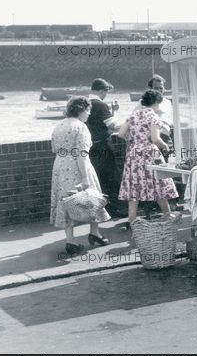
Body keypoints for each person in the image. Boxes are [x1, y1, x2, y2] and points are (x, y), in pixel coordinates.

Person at [50, 97, 111, 255]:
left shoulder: (59, 125)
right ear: (81, 110)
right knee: (91, 198)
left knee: (66, 201)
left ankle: (70, 241)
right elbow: (81, 154)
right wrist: (85, 178)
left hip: (60, 165)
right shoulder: (81, 127)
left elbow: (54, 148)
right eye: (88, 110)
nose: (89, 113)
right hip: (77, 165)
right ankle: (95, 233)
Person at [118, 90, 179, 226]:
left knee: (134, 185)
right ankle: (168, 215)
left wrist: (133, 139)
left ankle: (132, 220)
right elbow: (155, 139)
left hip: (133, 153)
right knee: (158, 182)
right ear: (156, 103)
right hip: (149, 152)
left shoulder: (133, 115)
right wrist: (165, 146)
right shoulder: (153, 116)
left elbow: (121, 133)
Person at [86, 78, 127, 217]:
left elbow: (101, 125)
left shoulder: (86, 103)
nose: (105, 95)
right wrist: (130, 123)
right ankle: (116, 209)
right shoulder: (100, 104)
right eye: (105, 92)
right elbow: (112, 126)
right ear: (102, 90)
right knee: (112, 176)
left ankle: (102, 210)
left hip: (90, 146)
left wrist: (113, 112)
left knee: (98, 178)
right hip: (103, 145)